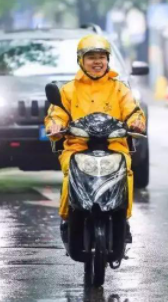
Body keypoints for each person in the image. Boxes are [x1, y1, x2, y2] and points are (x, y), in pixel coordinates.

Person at [44, 34, 146, 241]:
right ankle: (68, 218)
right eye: (91, 57)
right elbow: (56, 113)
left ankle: (122, 219)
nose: (97, 62)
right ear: (81, 60)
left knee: (125, 168)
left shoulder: (120, 88)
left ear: (108, 60)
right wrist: (55, 125)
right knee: (69, 172)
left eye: (102, 57)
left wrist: (137, 122)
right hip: (77, 146)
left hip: (114, 146)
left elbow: (134, 111)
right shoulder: (68, 89)